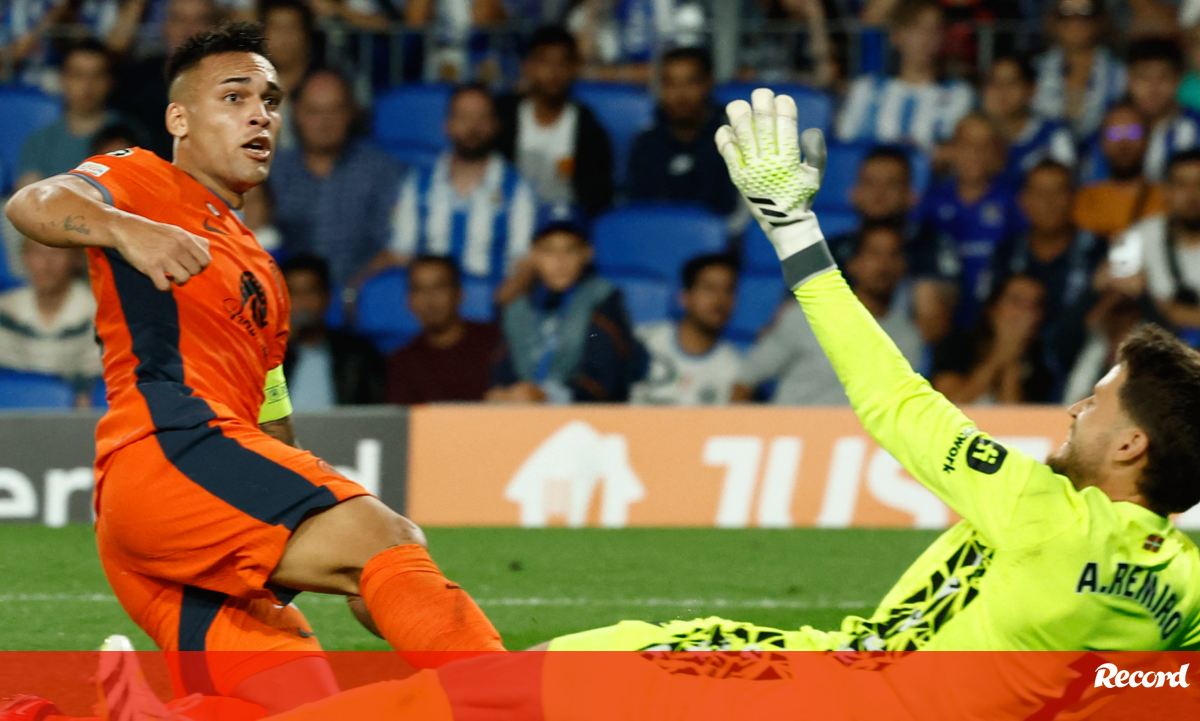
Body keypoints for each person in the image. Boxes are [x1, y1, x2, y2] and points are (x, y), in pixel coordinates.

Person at [547, 89, 1200, 666]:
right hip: (880, 683)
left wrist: (793, 229)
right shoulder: (1184, 583)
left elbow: (895, 396)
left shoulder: (1041, 508)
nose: (1076, 407)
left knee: (606, 655)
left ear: (1130, 443)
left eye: (1098, 400)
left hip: (846, 686)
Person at [4, 22, 503, 717]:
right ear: (179, 119)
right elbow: (29, 204)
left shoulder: (265, 273)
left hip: (184, 508)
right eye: (234, 97)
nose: (260, 115)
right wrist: (126, 228)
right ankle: (514, 697)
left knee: (299, 710)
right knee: (389, 538)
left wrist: (371, 579)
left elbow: (274, 427)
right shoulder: (140, 178)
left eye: (270, 100)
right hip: (172, 453)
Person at [733, 223, 923, 404]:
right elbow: (744, 381)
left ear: (904, 266)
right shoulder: (808, 316)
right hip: (793, 425)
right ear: (853, 264)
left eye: (893, 254)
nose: (884, 264)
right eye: (874, 253)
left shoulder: (908, 338)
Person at [383, 84, 537, 284]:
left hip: (491, 297)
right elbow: (400, 253)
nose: (473, 127)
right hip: (429, 299)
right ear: (447, 125)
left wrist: (493, 301)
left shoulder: (517, 189)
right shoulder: (417, 183)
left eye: (482, 117)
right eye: (463, 117)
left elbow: (524, 263)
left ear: (496, 125)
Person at [270, 69, 404, 288]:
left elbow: (397, 247)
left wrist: (352, 293)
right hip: (287, 297)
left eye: (335, 110)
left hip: (363, 293)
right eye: (314, 111)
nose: (325, 122)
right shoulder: (272, 173)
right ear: (296, 113)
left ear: (351, 112)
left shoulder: (382, 171)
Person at [488, 221, 647, 403]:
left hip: (584, 411)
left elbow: (606, 378)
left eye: (570, 250)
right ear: (533, 255)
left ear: (587, 253)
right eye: (548, 251)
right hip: (521, 407)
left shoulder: (602, 299)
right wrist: (503, 391)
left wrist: (546, 396)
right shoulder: (516, 302)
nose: (560, 261)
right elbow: (502, 365)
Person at [987, 160, 1106, 381]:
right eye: (1039, 193)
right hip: (1017, 359)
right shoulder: (1006, 253)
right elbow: (990, 317)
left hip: (1080, 363)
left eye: (1058, 192)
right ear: (1023, 200)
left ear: (1074, 198)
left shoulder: (1098, 252)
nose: (1048, 202)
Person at [827, 145, 958, 345]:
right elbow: (793, 317)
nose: (879, 194)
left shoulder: (931, 247)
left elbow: (934, 326)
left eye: (892, 184)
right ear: (854, 193)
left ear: (911, 196)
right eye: (870, 183)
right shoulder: (831, 250)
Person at [915, 112, 1021, 327]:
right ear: (953, 149)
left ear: (998, 153)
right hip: (946, 310)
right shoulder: (933, 199)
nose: (974, 154)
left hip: (997, 307)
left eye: (984, 146)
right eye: (967, 144)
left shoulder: (1013, 199)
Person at [495, 25, 614, 217]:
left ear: (575, 68)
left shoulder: (590, 130)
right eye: (545, 62)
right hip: (508, 216)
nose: (554, 72)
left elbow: (596, 198)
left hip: (565, 221)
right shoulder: (501, 118)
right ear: (528, 67)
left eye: (562, 63)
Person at [835, 0, 974, 152]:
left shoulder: (958, 94)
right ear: (896, 36)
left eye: (935, 30)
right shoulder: (866, 89)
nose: (926, 38)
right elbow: (845, 143)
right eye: (916, 29)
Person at [626, 47, 740, 222]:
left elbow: (736, 215)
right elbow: (636, 210)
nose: (681, 94)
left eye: (691, 82)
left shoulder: (733, 141)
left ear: (708, 83)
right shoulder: (645, 143)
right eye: (670, 83)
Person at [15, 40, 138, 189]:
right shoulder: (40, 141)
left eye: (96, 75)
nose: (87, 85)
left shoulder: (129, 138)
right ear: (63, 80)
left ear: (110, 81)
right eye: (78, 75)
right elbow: (29, 193)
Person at [1106, 149, 1200, 344]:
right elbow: (1110, 291)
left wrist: (1167, 309)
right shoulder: (1138, 235)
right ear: (1165, 191)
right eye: (1181, 184)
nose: (1192, 195)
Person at [109, 0, 220, 158]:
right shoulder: (136, 79)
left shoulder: (231, 84)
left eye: (199, 20)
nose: (188, 30)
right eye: (179, 19)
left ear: (215, 30)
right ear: (164, 26)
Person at [630, 253, 742, 406]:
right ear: (684, 297)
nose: (720, 299)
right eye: (709, 288)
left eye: (729, 290)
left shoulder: (734, 370)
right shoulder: (642, 342)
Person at [386, 255, 500, 404]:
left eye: (438, 287)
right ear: (409, 300)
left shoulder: (495, 342)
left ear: (458, 294)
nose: (429, 300)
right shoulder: (402, 363)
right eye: (418, 290)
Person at [0, 238, 102, 404]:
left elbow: (94, 371)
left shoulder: (97, 311)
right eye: (37, 253)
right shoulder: (6, 309)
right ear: (24, 258)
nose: (47, 263)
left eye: (56, 253)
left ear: (75, 259)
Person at [930, 273, 1056, 405]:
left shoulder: (1042, 359)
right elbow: (952, 402)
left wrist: (1011, 362)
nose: (1026, 312)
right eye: (1016, 301)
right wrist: (998, 356)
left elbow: (1013, 413)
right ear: (993, 308)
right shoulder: (957, 343)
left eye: (1035, 305)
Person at [280, 255, 386, 409]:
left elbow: (376, 413)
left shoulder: (358, 354)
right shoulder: (267, 357)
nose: (302, 301)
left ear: (327, 296)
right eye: (293, 293)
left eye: (310, 291)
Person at [1032, 0, 1127, 141]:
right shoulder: (1034, 70)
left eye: (1085, 14)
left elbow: (1130, 129)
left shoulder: (1122, 74)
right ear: (1053, 21)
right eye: (1065, 14)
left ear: (1100, 20)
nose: (1076, 22)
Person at [1074, 103, 1166, 240]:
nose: (1123, 143)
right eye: (1114, 134)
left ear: (1148, 139)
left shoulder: (1167, 199)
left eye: (1133, 133)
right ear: (1102, 142)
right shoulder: (1081, 201)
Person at [981, 54, 1076, 182]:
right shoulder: (971, 135)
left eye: (1011, 83)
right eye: (994, 82)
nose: (1001, 91)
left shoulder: (1053, 135)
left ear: (1032, 89)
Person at [1126, 37, 1200, 183]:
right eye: (1144, 77)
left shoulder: (1196, 129)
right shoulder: (1113, 125)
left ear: (1178, 80)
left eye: (1163, 77)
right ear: (1129, 80)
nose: (1153, 88)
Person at [259, 0, 318, 152]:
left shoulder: (322, 84)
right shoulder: (251, 84)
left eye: (291, 28)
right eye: (276, 28)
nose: (284, 38)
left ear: (306, 34)